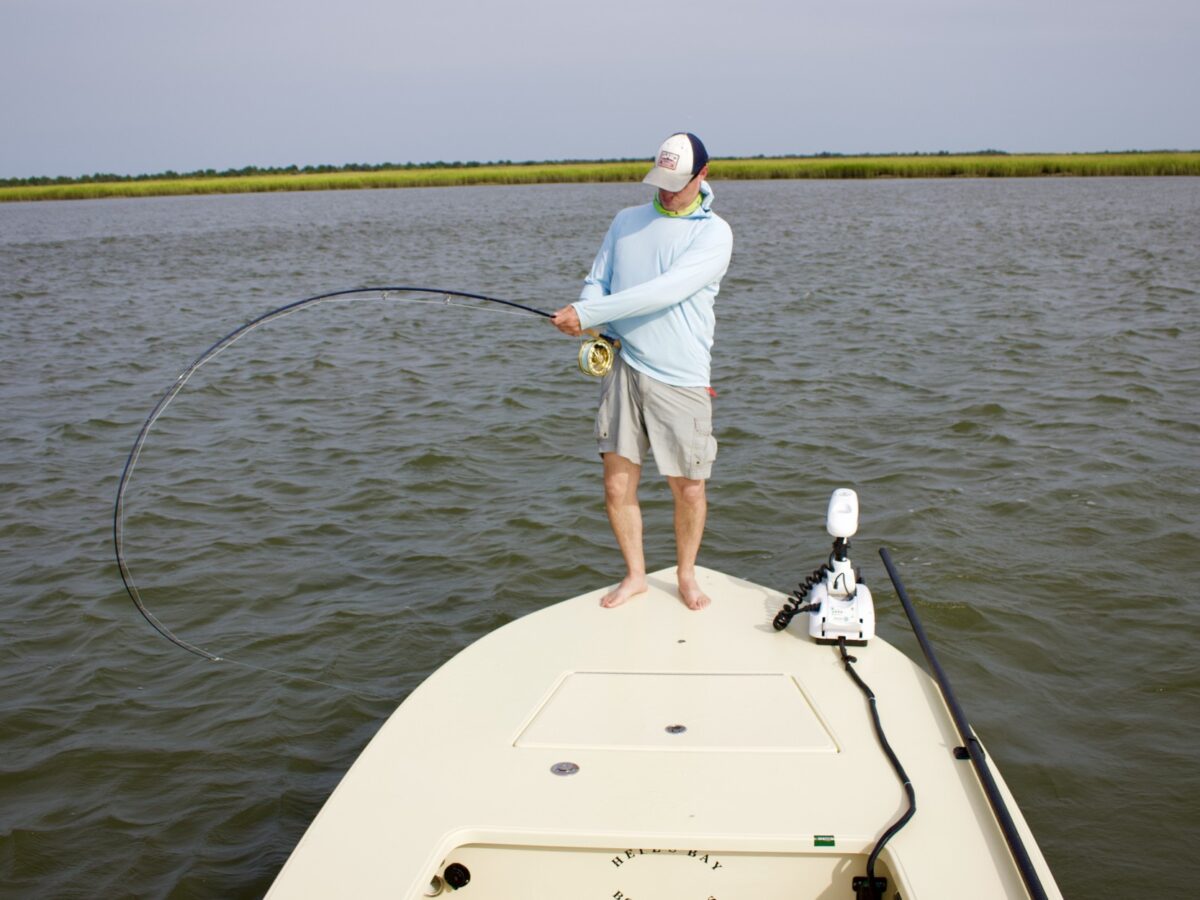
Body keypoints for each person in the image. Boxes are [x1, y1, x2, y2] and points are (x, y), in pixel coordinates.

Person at [552, 132, 733, 610]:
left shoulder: (714, 234)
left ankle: (686, 575)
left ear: (702, 175)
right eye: (661, 182)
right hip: (622, 366)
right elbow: (598, 280)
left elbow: (662, 292)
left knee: (688, 486)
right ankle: (635, 574)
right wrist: (588, 311)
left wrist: (588, 314)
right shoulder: (626, 221)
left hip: (680, 375)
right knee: (616, 483)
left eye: (677, 184)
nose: (666, 192)